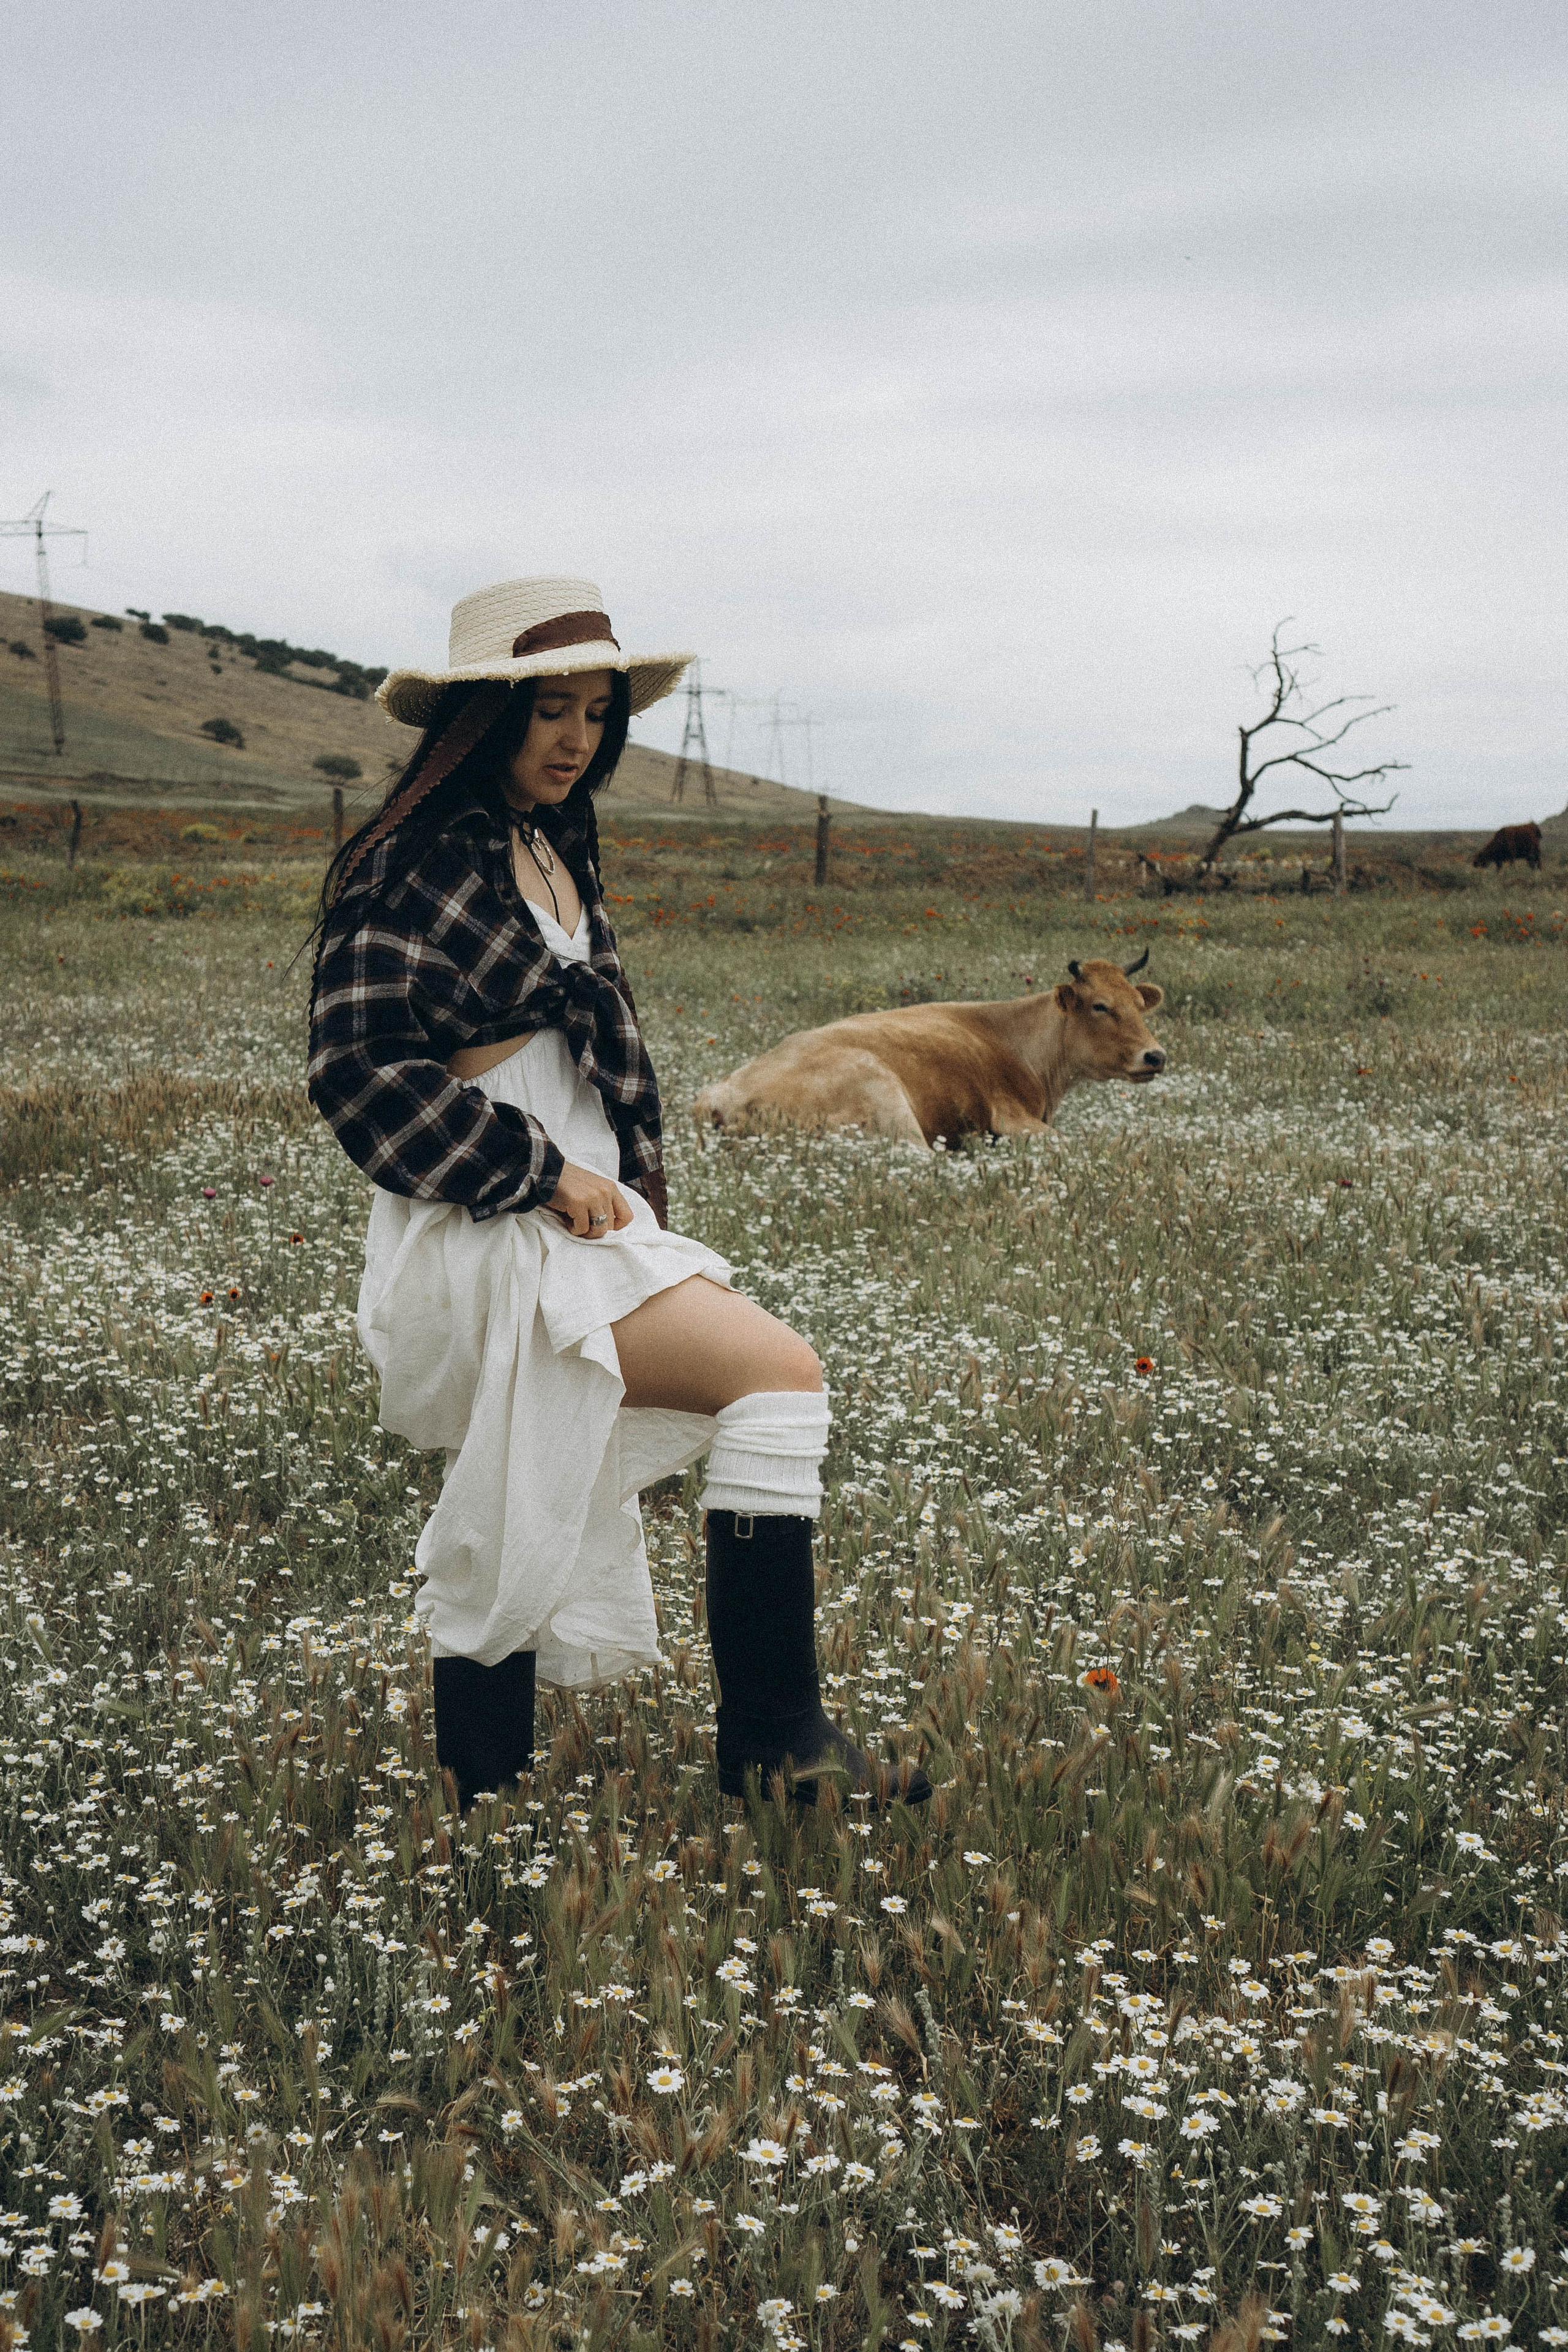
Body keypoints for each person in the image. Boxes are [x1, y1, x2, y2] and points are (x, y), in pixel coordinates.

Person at [307, 576, 930, 1814]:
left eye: (594, 711)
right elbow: (357, 1070)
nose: (574, 736)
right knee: (778, 1377)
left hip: (570, 1216)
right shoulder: (413, 860)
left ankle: (485, 1783)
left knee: (521, 1474)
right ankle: (772, 1741)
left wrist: (613, 1180)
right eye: (546, 708)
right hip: (483, 1224)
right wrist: (535, 1171)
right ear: (480, 721)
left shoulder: (552, 845)